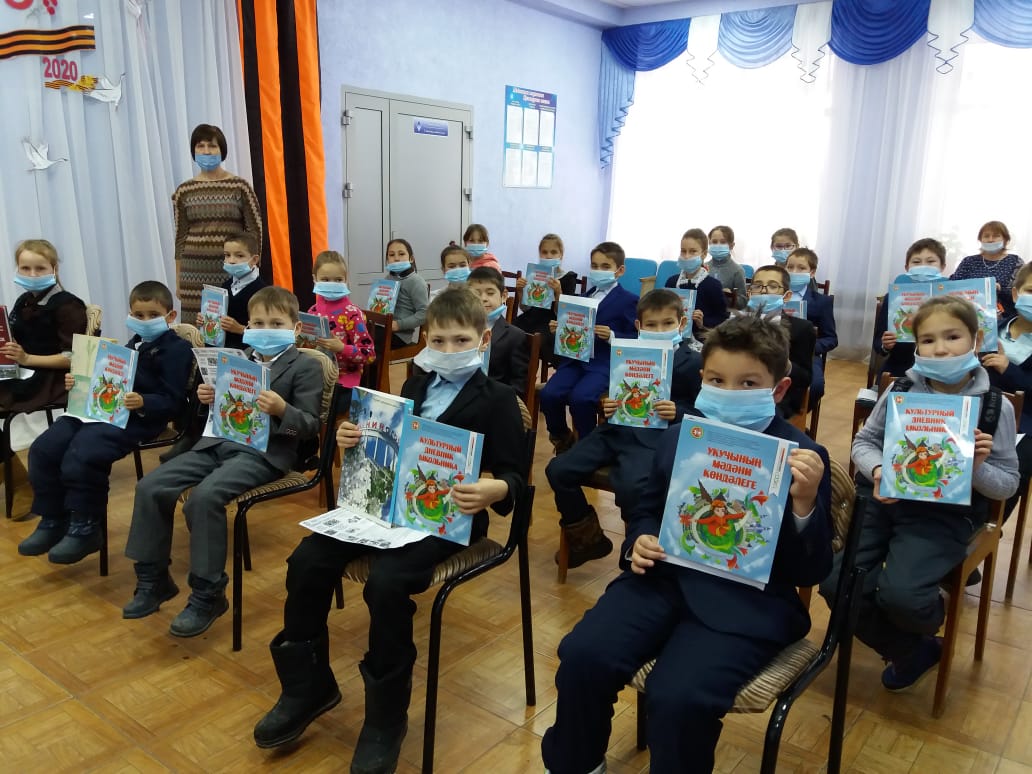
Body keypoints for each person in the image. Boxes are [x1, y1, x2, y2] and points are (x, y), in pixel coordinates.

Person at [541, 314, 832, 774]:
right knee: (582, 657)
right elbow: (648, 507)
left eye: (748, 383)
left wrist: (805, 503)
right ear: (701, 381)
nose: (729, 392)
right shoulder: (681, 436)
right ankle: (575, 763)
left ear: (778, 390)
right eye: (717, 380)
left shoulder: (803, 458)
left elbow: (811, 571)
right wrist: (639, 539)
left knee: (678, 698)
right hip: (661, 581)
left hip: (747, 605)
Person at [251, 287, 527, 774]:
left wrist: (496, 488)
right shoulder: (414, 385)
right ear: (426, 338)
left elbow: (516, 476)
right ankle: (307, 687)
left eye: (460, 340)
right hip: (387, 507)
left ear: (483, 340)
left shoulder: (500, 399)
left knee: (387, 583)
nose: (447, 350)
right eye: (437, 340)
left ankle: (385, 718)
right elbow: (388, 442)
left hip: (450, 518)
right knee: (307, 560)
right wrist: (352, 437)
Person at [821, 296, 1018, 691]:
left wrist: (976, 468)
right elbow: (864, 443)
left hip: (945, 514)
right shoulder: (901, 389)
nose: (940, 349)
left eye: (952, 336)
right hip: (884, 502)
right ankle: (914, 649)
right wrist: (879, 470)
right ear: (916, 345)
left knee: (902, 597)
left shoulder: (995, 407)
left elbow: (1008, 482)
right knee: (835, 583)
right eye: (928, 340)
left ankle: (921, 617)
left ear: (976, 339)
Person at [122, 286, 323, 637]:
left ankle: (208, 593)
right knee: (151, 486)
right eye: (258, 322)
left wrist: (281, 410)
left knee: (204, 498)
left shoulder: (305, 366)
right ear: (248, 325)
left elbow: (308, 426)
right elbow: (214, 411)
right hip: (217, 442)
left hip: (265, 452)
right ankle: (153, 579)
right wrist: (206, 398)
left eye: (276, 323)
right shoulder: (237, 358)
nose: (265, 329)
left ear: (294, 328)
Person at [17, 281, 192, 563]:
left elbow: (174, 401)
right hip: (102, 410)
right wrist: (79, 380)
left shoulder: (177, 349)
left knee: (84, 452)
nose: (144, 320)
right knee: (44, 448)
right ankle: (52, 518)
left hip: (140, 418)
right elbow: (107, 378)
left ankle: (86, 525)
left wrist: (144, 401)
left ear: (170, 316)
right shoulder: (131, 344)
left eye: (152, 315)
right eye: (138, 315)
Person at [545, 289, 702, 569]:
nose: (659, 330)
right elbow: (617, 391)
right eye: (651, 324)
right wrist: (608, 403)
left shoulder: (693, 363)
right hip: (614, 430)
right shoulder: (625, 354)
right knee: (558, 470)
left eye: (667, 323)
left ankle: (633, 558)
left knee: (633, 489)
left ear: (681, 324)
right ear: (639, 326)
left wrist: (678, 412)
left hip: (654, 440)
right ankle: (587, 540)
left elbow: (703, 413)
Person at [541, 242, 638, 452]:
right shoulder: (584, 297)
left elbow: (635, 337)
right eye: (594, 265)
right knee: (549, 394)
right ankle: (561, 438)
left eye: (605, 266)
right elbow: (574, 327)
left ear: (620, 270)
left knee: (582, 398)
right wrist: (560, 327)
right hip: (575, 361)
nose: (598, 270)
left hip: (603, 364)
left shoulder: (629, 300)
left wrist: (612, 336)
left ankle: (587, 447)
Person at [172, 123, 263, 320]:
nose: (206, 151)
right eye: (200, 146)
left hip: (232, 270)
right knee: (195, 329)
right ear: (193, 151)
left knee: (230, 324)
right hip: (192, 275)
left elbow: (254, 232)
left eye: (212, 146)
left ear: (222, 150)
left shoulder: (240, 186)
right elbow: (180, 237)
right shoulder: (183, 191)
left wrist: (253, 271)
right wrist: (178, 278)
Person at [0, 239, 87, 416]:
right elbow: (15, 336)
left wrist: (27, 359)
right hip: (23, 369)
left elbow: (74, 357)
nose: (32, 275)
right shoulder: (24, 301)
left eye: (40, 268)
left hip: (51, 379)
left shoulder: (69, 306)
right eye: (25, 268)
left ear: (55, 269)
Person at [982, 261, 1032, 520]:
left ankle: (990, 526)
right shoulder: (992, 327)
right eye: (1031, 290)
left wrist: (1008, 369)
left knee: (1016, 462)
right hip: (981, 408)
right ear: (1015, 294)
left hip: (1025, 423)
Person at [745, 265, 815, 418]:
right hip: (739, 389)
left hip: (779, 396)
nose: (763, 291)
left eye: (772, 286)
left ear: (787, 296)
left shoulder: (801, 328)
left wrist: (786, 364)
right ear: (749, 293)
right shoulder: (736, 323)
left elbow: (805, 378)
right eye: (757, 286)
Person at [873, 238, 948, 378]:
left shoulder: (952, 300)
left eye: (931, 261)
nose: (923, 266)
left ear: (942, 267)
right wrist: (885, 345)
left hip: (941, 371)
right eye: (916, 262)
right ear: (907, 268)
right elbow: (878, 342)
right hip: (899, 368)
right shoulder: (894, 297)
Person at [307, 250, 376, 390]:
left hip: (344, 378)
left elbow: (369, 355)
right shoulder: (312, 312)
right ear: (315, 279)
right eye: (325, 280)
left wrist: (342, 348)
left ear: (346, 279)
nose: (332, 284)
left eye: (338, 280)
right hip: (316, 374)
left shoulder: (353, 313)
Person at [514, 233, 581, 365]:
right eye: (544, 252)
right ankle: (517, 370)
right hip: (530, 318)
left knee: (541, 340)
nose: (549, 256)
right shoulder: (535, 275)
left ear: (561, 255)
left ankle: (531, 371)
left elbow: (564, 315)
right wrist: (521, 291)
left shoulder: (568, 278)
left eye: (553, 252)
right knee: (511, 333)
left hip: (551, 323)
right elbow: (525, 308)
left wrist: (558, 292)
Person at [784, 247, 837, 403]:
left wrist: (811, 347)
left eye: (801, 268)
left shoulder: (822, 302)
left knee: (816, 387)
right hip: (773, 351)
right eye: (790, 267)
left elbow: (831, 338)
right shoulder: (775, 295)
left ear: (812, 272)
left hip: (807, 356)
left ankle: (796, 413)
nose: (794, 272)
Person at [467, 266, 529, 398]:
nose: (483, 299)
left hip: (495, 400)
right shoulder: (460, 331)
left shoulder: (515, 336)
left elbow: (519, 384)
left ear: (503, 296)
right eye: (476, 294)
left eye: (490, 293)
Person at [951, 220, 1024, 319]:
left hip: (1006, 319)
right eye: (986, 236)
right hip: (969, 317)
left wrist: (1000, 289)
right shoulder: (969, 261)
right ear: (980, 240)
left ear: (1005, 240)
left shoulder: (1015, 261)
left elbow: (1022, 293)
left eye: (996, 236)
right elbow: (953, 287)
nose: (990, 240)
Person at [663, 228, 728, 331]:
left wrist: (703, 322)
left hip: (701, 336)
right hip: (673, 335)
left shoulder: (713, 285)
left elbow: (722, 318)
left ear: (704, 254)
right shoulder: (672, 282)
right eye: (683, 251)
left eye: (693, 251)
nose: (686, 256)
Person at [383, 238, 428, 346]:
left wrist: (398, 325)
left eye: (401, 254)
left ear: (411, 259)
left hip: (399, 336)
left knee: (365, 345)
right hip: (382, 328)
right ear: (387, 259)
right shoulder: (387, 279)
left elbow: (424, 314)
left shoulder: (416, 281)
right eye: (391, 255)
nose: (396, 258)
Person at [706, 225, 747, 310]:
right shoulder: (703, 268)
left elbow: (743, 302)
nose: (718, 245)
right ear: (709, 243)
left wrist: (730, 296)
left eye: (723, 242)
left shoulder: (737, 271)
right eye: (714, 242)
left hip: (726, 314)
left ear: (731, 245)